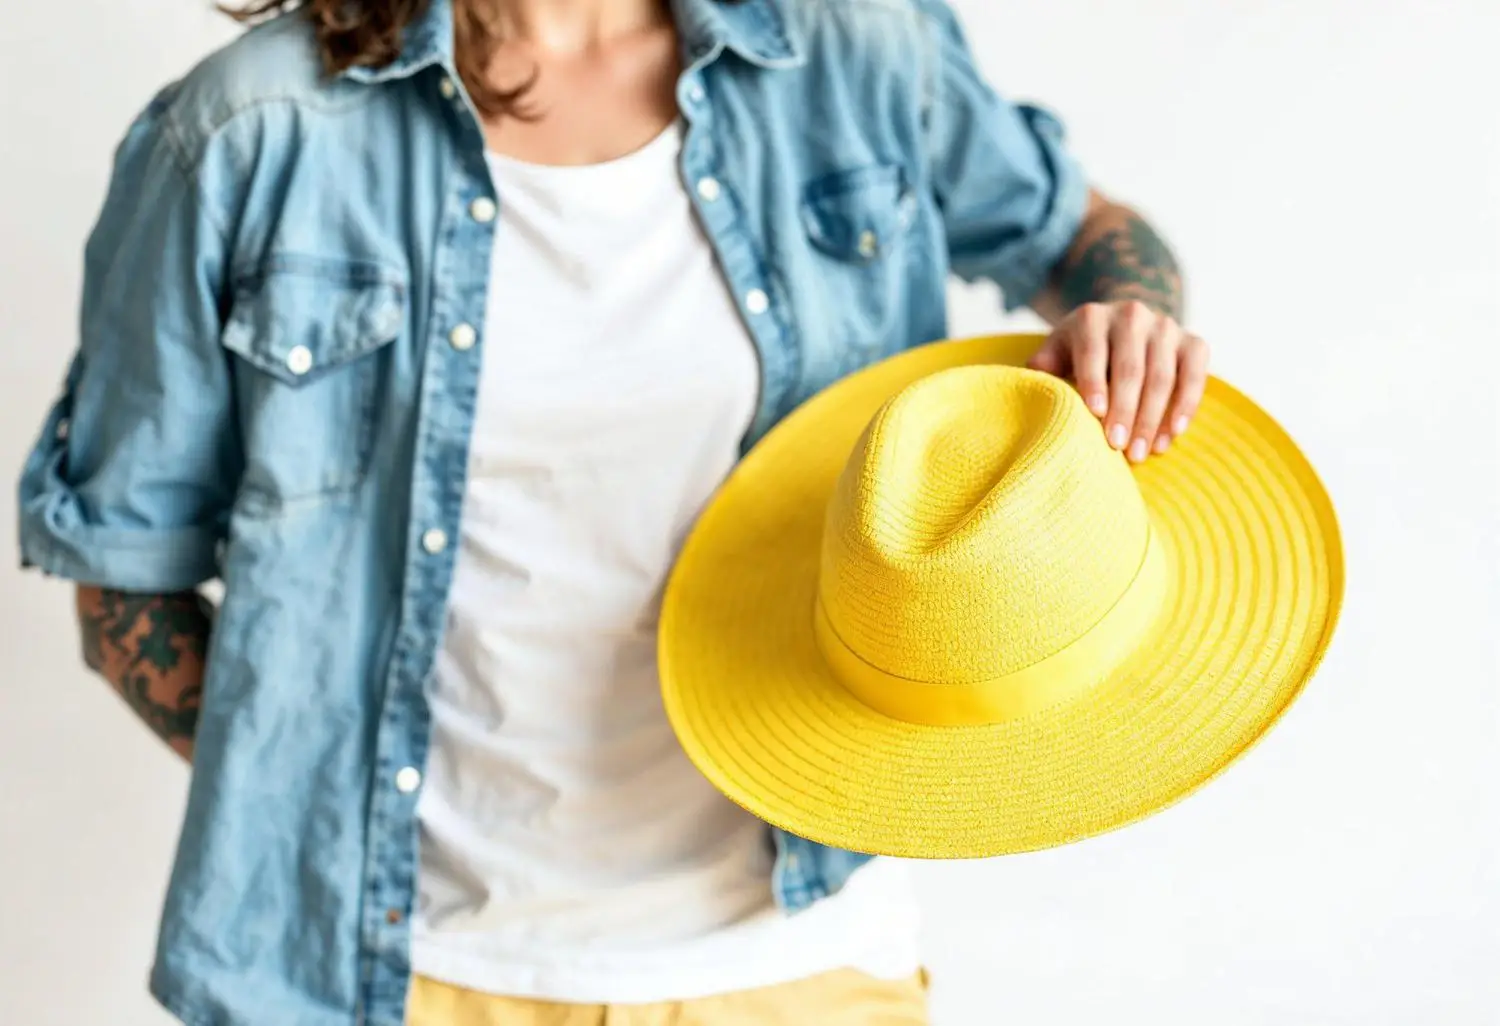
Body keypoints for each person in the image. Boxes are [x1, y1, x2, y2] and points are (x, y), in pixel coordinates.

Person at [17, 0, 1208, 1022]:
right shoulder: (249, 131)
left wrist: (1125, 323)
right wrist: (315, 777)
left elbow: (1091, 235)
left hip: (795, 967)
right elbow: (125, 570)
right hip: (390, 976)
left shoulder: (851, 46)